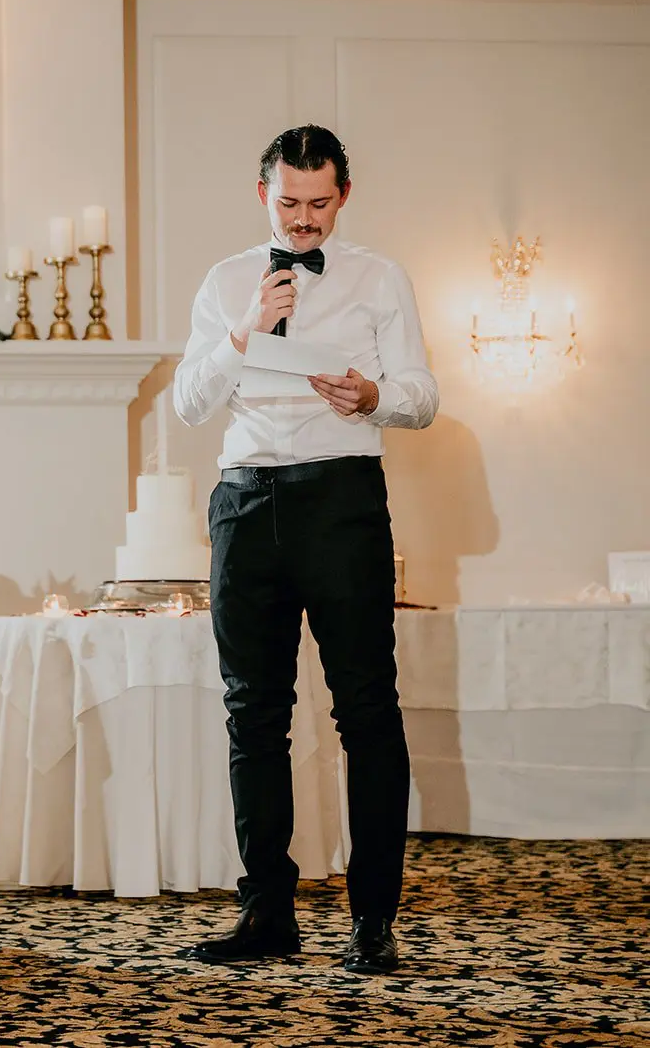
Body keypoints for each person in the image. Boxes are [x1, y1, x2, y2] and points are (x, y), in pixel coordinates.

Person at [172, 125, 438, 974]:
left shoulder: (379, 277)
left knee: (367, 710)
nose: (304, 219)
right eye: (289, 203)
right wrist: (247, 327)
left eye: (320, 203)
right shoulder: (223, 282)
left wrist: (374, 394)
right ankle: (267, 915)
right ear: (264, 195)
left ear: (343, 196)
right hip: (246, 502)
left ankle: (373, 920)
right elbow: (187, 403)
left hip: (342, 500)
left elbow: (424, 396)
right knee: (253, 714)